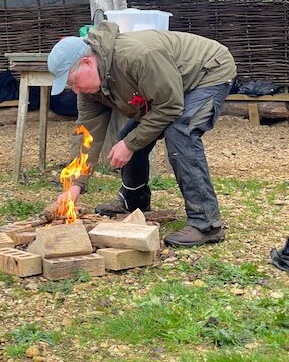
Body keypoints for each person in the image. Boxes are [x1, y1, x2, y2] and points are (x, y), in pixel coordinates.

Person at [47, 21, 236, 248]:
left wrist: (130, 144)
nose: (75, 90)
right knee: (127, 139)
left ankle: (206, 224)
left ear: (87, 62)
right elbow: (87, 134)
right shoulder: (90, 90)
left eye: (73, 82)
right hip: (168, 87)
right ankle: (134, 202)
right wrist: (74, 186)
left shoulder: (136, 57)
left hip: (207, 72)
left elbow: (170, 107)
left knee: (180, 133)